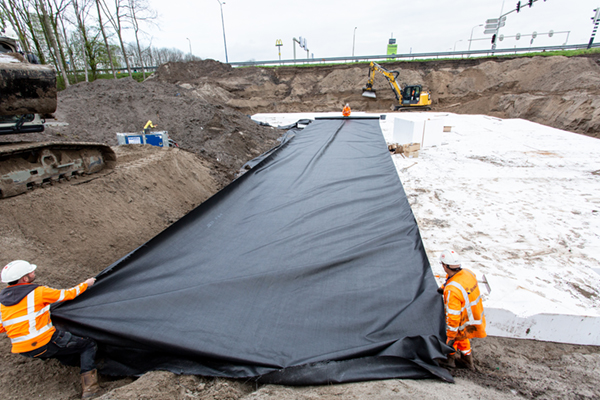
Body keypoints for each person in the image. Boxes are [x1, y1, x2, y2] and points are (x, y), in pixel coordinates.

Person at [0, 260, 102, 399]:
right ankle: (90, 389)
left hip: (23, 350)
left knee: (63, 350)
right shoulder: (38, 292)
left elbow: (2, 327)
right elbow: (68, 294)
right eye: (31, 272)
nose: (33, 272)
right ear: (24, 278)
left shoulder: (2, 302)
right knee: (88, 345)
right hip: (45, 342)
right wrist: (86, 284)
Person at [437, 249, 486, 370]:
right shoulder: (467, 273)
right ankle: (467, 360)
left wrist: (450, 336)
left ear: (445, 266)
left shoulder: (452, 291)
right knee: (464, 338)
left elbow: (453, 317)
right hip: (474, 314)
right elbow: (457, 281)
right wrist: (444, 286)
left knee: (454, 337)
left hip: (463, 317)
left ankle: (450, 360)